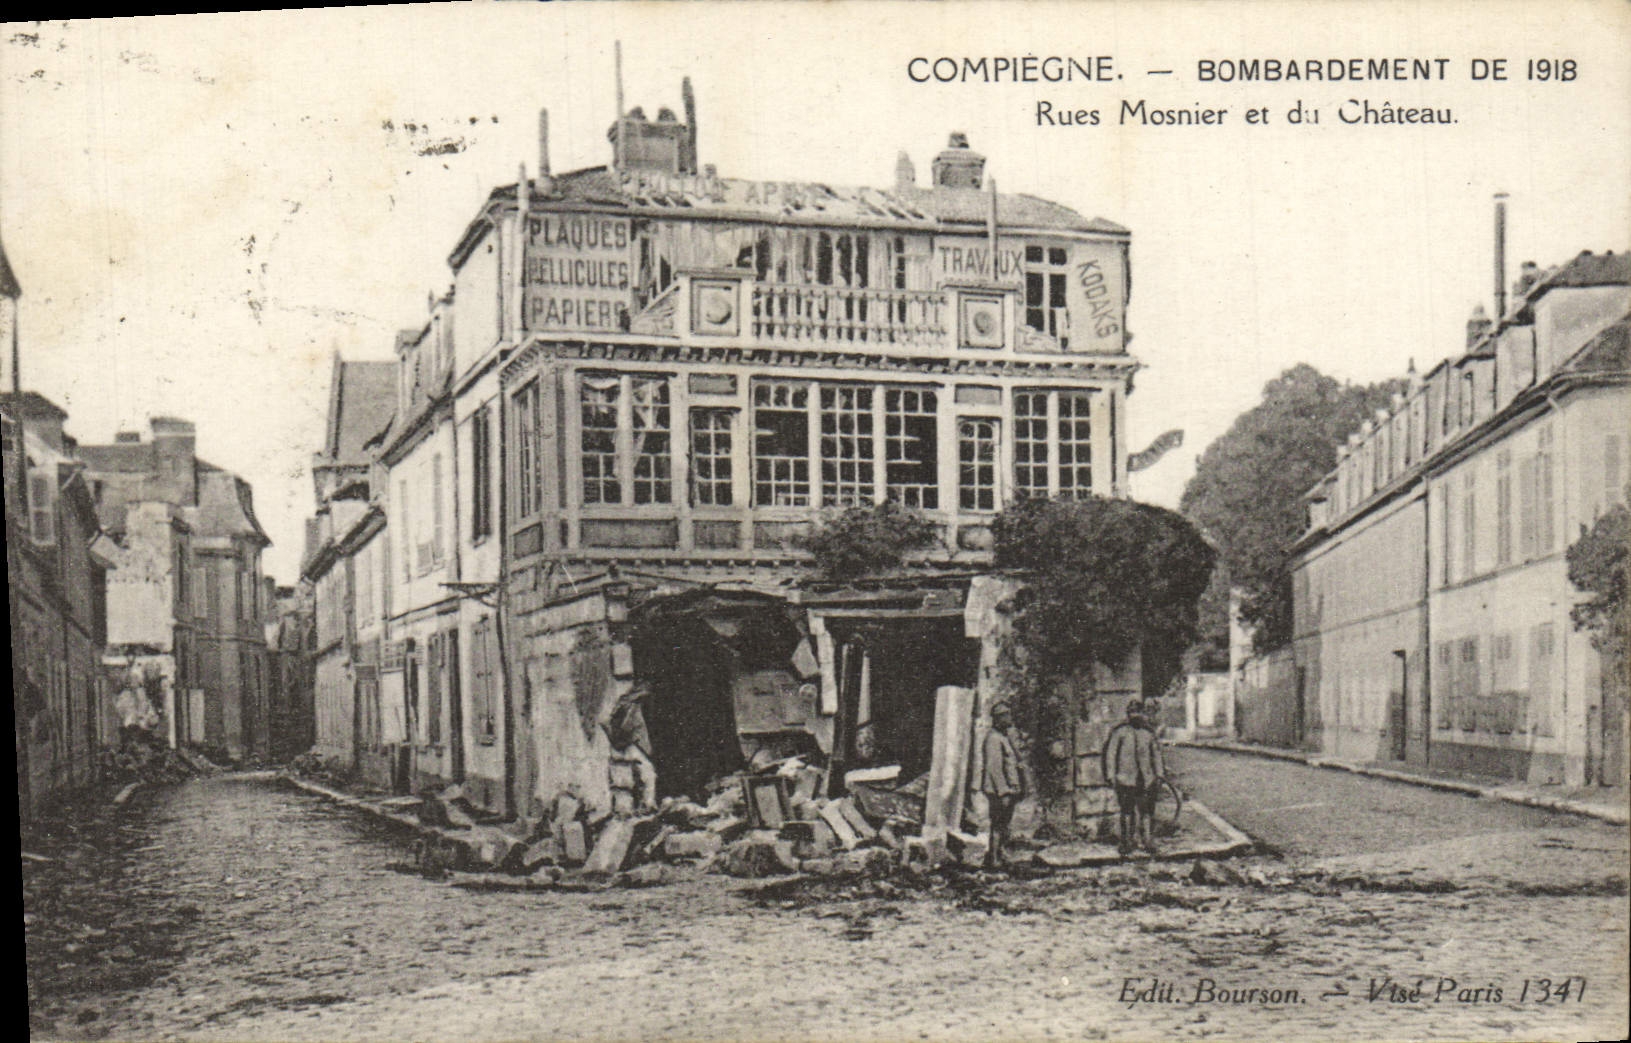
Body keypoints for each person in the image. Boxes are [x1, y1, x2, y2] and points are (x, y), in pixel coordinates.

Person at [1103, 698, 1165, 854]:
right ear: (1128, 714)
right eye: (1132, 713)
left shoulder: (1148, 733)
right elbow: (1111, 754)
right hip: (1125, 778)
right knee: (1126, 811)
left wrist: (1160, 774)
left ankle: (1148, 841)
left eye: (1138, 712)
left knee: (1147, 811)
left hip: (1145, 779)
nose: (1135, 716)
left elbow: (1156, 755)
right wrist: (1111, 775)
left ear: (1143, 714)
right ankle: (1126, 841)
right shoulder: (1120, 732)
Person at [979, 702, 1027, 869]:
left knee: (1004, 824)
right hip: (999, 790)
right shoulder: (993, 739)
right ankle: (993, 858)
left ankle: (999, 854)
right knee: (998, 824)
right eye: (1005, 715)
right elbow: (994, 768)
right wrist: (1003, 791)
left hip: (1008, 790)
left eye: (1009, 714)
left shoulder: (1004, 738)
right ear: (998, 719)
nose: (1009, 718)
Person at [602, 684, 658, 811]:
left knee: (633, 779)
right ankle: (647, 805)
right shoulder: (632, 709)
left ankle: (642, 806)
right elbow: (626, 728)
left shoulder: (624, 706)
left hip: (625, 747)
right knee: (647, 775)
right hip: (630, 746)